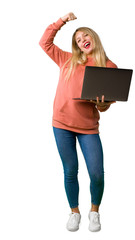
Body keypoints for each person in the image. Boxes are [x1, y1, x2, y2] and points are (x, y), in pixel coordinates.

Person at [39, 12, 117, 232]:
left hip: (88, 128)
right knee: (70, 170)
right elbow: (44, 42)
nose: (81, 39)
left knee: (96, 173)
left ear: (92, 38)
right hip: (61, 125)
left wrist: (102, 105)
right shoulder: (67, 60)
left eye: (84, 35)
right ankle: (74, 212)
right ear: (77, 47)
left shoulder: (108, 67)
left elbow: (107, 103)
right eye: (77, 39)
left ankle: (94, 212)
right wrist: (61, 21)